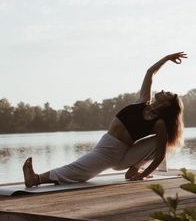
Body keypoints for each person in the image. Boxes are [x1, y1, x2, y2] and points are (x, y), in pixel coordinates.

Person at [23, 51, 187, 187]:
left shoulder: (158, 124)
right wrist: (167, 58)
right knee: (82, 171)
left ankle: (35, 179)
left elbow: (159, 155)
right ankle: (133, 170)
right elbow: (150, 72)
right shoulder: (143, 101)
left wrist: (143, 175)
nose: (164, 90)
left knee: (78, 169)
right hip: (107, 144)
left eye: (168, 94)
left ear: (167, 105)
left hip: (116, 152)